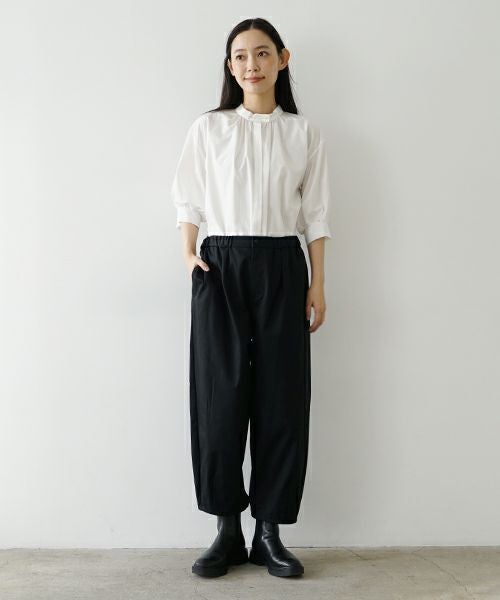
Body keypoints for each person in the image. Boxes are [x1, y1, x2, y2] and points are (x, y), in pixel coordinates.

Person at [171, 17, 332, 579]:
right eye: (240, 56)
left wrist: (317, 282)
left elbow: (315, 215)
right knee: (219, 398)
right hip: (220, 266)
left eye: (262, 54)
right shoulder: (209, 128)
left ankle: (269, 532)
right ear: (230, 66)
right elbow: (188, 199)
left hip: (283, 266)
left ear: (282, 59)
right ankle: (226, 530)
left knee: (281, 398)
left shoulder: (302, 133)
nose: (251, 65)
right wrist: (188, 254)